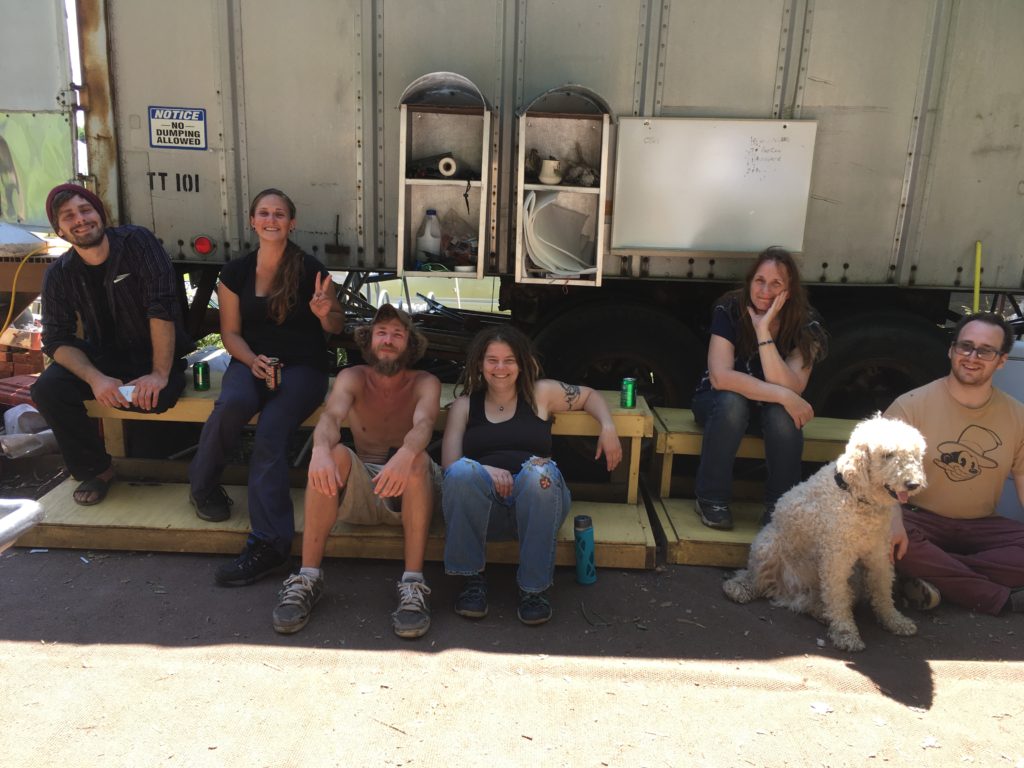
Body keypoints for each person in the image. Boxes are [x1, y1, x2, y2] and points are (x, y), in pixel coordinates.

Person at [189, 189, 344, 587]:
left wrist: (326, 314)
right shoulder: (235, 272)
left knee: (272, 432)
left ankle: (270, 544)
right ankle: (203, 487)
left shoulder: (311, 268)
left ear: (292, 223)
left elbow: (335, 328)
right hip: (250, 360)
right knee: (233, 403)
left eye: (279, 214)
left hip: (303, 367)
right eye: (263, 213)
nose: (271, 219)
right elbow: (231, 334)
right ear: (252, 222)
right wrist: (252, 360)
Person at [271, 304, 441, 639]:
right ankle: (307, 578)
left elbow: (424, 423)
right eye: (382, 333)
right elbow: (331, 418)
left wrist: (406, 452)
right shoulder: (353, 377)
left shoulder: (426, 381)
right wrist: (319, 450)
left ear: (410, 343)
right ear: (368, 341)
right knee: (332, 454)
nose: (388, 340)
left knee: (419, 461)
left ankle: (413, 584)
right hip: (367, 483)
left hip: (410, 483)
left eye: (397, 334)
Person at [439, 326, 622, 625]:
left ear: (522, 363)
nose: (500, 368)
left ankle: (533, 589)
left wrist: (608, 427)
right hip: (488, 512)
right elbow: (450, 466)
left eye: (509, 360)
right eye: (492, 360)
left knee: (539, 474)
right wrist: (484, 470)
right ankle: (471, 581)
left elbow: (589, 396)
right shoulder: (464, 406)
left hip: (540, 502)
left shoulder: (540, 393)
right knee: (462, 473)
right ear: (479, 364)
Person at [32, 183, 193, 505]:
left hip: (152, 355)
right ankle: (97, 469)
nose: (80, 219)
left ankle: (176, 465)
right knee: (47, 390)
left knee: (155, 398)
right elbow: (55, 338)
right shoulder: (59, 273)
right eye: (69, 216)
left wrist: (159, 374)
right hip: (103, 356)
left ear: (100, 214)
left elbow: (161, 307)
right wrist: (96, 379)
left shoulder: (137, 242)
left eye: (85, 210)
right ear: (60, 230)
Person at [885, 312, 1024, 615]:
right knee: (882, 534)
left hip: (983, 526)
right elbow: (876, 479)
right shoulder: (909, 406)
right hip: (918, 519)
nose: (972, 357)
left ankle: (932, 575)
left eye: (986, 351)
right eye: (965, 346)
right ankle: (1002, 599)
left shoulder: (1018, 416)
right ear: (951, 350)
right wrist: (893, 519)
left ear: (1001, 360)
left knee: (905, 555)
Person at [692, 246, 827, 530]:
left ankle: (781, 505)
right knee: (733, 402)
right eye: (759, 281)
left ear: (790, 290)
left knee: (783, 414)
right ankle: (711, 498)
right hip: (718, 405)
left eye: (776, 283)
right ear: (750, 281)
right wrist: (781, 395)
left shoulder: (807, 323)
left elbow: (794, 385)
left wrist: (763, 332)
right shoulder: (729, 308)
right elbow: (721, 377)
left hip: (768, 410)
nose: (765, 290)